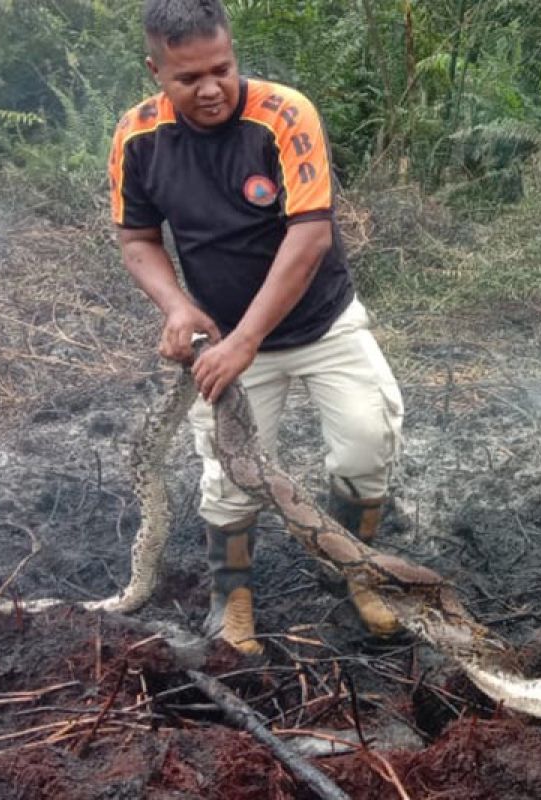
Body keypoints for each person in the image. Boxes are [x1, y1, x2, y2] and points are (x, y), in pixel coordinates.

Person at [108, 0, 405, 654]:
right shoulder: (138, 137)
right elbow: (136, 238)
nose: (211, 88)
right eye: (189, 78)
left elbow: (309, 239)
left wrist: (247, 339)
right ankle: (231, 594)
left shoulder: (284, 115)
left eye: (222, 68)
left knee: (366, 441)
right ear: (155, 70)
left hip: (324, 322)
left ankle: (354, 569)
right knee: (228, 470)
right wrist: (177, 308)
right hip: (223, 337)